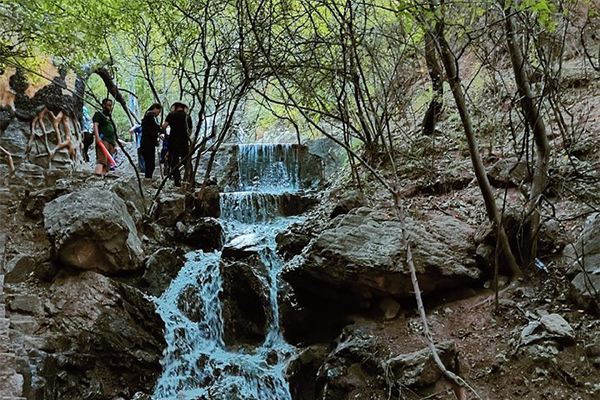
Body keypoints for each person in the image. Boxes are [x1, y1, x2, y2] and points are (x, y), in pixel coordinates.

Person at [162, 102, 192, 187]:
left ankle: (177, 181)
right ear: (184, 108)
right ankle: (190, 180)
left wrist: (166, 135)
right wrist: (187, 136)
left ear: (175, 107)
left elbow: (164, 126)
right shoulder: (187, 116)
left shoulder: (171, 115)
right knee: (186, 161)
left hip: (173, 141)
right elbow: (190, 130)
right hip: (184, 141)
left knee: (174, 162)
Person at [92, 99, 118, 176]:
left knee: (108, 162)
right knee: (102, 159)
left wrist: (115, 145)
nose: (110, 107)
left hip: (111, 141)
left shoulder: (110, 118)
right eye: (108, 105)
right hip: (103, 139)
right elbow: (95, 125)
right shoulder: (99, 114)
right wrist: (97, 137)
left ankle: (103, 177)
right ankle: (97, 176)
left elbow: (114, 133)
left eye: (111, 105)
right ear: (103, 105)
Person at [140, 103, 163, 179]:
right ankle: (148, 177)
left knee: (148, 161)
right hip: (148, 141)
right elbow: (156, 126)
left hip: (146, 141)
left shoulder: (147, 116)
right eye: (158, 111)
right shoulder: (151, 115)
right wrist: (162, 130)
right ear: (155, 108)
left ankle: (148, 177)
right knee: (150, 162)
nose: (158, 114)